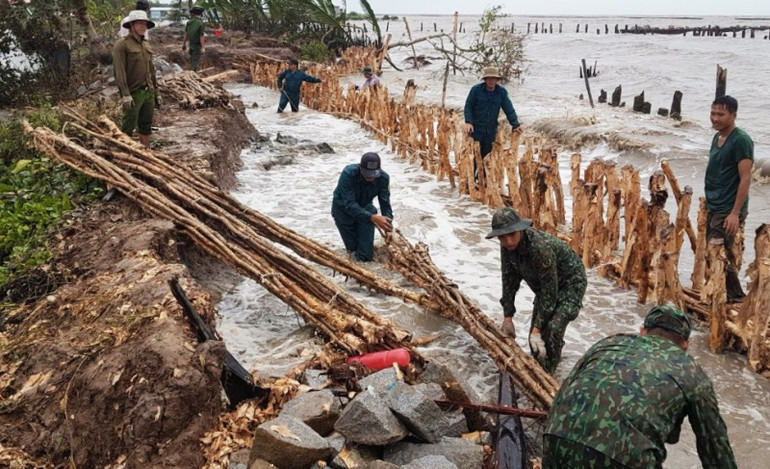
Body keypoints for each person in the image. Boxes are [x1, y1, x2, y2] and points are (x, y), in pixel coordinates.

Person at [543, 305, 737, 469]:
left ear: (643, 331)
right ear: (686, 344)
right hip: (624, 459)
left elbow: (563, 393)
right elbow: (715, 449)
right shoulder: (693, 373)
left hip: (556, 439)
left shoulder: (608, 343)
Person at [486, 207, 586, 373]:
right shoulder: (508, 248)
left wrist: (537, 330)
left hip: (571, 284)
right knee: (535, 343)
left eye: (512, 235)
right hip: (545, 286)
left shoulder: (540, 248)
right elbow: (509, 280)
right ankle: (544, 364)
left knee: (553, 328)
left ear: (521, 230)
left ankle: (550, 375)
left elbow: (550, 292)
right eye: (502, 237)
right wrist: (508, 317)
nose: (508, 241)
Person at [705, 95, 754, 303]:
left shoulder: (741, 140)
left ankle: (735, 297)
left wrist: (735, 213)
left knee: (718, 252)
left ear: (733, 115)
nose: (715, 118)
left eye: (720, 114)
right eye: (713, 113)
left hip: (728, 207)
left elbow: (745, 178)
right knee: (715, 251)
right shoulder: (717, 138)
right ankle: (724, 295)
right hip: (713, 204)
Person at [331, 153, 393, 262]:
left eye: (374, 174)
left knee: (364, 257)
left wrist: (388, 227)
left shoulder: (383, 178)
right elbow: (349, 204)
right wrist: (373, 218)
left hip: (365, 210)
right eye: (367, 174)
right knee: (352, 250)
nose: (370, 177)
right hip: (343, 211)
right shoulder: (348, 174)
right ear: (360, 168)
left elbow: (385, 204)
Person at [464, 66, 523, 178]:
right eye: (489, 78)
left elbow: (508, 109)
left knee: (487, 157)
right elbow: (468, 106)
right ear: (485, 80)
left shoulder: (501, 92)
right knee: (475, 156)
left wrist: (516, 124)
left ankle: (485, 183)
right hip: (476, 128)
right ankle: (471, 181)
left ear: (497, 80)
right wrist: (468, 122)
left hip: (490, 130)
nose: (491, 81)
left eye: (493, 78)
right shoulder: (476, 90)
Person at [112, 10, 159, 149]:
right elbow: (119, 72)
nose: (143, 26)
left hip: (148, 92)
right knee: (128, 127)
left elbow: (152, 71)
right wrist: (125, 95)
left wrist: (156, 92)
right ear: (131, 25)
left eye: (144, 24)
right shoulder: (122, 45)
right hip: (134, 93)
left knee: (146, 127)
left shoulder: (146, 45)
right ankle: (124, 154)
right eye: (139, 23)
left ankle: (146, 153)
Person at [183, 6, 206, 71]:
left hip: (191, 45)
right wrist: (203, 47)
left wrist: (184, 44)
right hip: (197, 46)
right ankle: (193, 74)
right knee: (195, 62)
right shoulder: (201, 23)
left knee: (192, 60)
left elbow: (186, 34)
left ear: (193, 13)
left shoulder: (189, 22)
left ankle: (191, 72)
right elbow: (201, 36)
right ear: (201, 13)